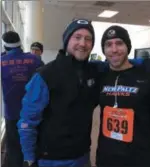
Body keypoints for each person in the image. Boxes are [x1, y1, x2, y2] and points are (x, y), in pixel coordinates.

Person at [17, 19, 100, 167]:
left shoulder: (94, 71)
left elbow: (119, 64)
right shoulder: (45, 75)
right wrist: (29, 158)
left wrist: (145, 65)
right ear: (66, 40)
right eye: (77, 37)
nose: (83, 43)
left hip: (82, 155)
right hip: (51, 159)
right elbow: (27, 121)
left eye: (88, 39)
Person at [96, 25, 150, 167]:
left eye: (119, 43)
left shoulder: (148, 77)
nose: (114, 49)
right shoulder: (100, 77)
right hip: (106, 158)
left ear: (128, 47)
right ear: (104, 50)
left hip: (139, 159)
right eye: (108, 45)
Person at [1, 31, 43, 167]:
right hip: (33, 113)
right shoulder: (35, 60)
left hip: (12, 114)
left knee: (14, 150)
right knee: (33, 145)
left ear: (5, 46)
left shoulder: (1, 62)